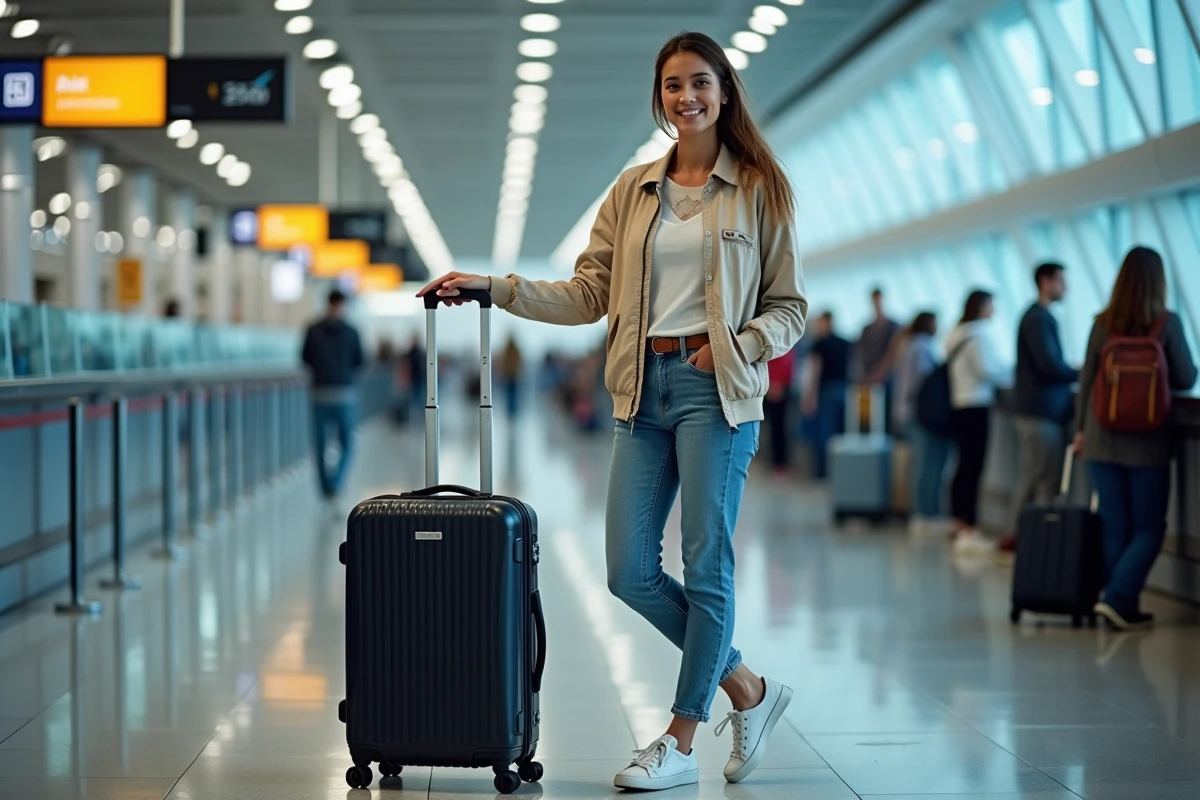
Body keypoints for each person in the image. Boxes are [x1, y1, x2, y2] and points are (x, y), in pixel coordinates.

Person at [417, 32, 807, 792]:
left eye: (700, 83)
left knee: (706, 563)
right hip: (641, 387)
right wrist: (494, 287)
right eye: (671, 86)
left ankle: (681, 739)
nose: (686, 97)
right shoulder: (634, 191)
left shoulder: (761, 188)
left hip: (717, 390)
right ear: (658, 99)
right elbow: (587, 294)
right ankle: (749, 691)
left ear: (724, 91)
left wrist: (740, 344)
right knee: (628, 571)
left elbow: (790, 307)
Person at [1074, 246, 1197, 631]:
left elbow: (1085, 382)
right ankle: (1118, 599)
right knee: (1149, 528)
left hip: (1100, 439)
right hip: (1148, 442)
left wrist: (1080, 431)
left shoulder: (1101, 323)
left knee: (1115, 526)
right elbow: (1186, 378)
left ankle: (1117, 601)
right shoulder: (1167, 323)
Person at [1006, 263, 1078, 552]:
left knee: (1034, 475)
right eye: (1061, 281)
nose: (1066, 287)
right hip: (1040, 412)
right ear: (1045, 281)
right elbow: (1049, 365)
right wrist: (1079, 372)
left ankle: (1021, 538)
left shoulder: (1034, 316)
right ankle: (1037, 544)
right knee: (1045, 479)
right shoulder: (1039, 318)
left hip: (1035, 410)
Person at [944, 290, 1010, 554]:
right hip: (976, 404)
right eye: (991, 305)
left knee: (962, 464)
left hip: (959, 403)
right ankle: (970, 525)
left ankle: (959, 521)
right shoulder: (978, 333)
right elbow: (988, 370)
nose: (993, 310)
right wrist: (1011, 373)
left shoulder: (956, 333)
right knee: (974, 465)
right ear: (982, 306)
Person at [301, 289, 365, 500]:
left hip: (319, 392)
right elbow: (360, 361)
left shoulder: (312, 329)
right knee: (347, 442)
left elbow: (304, 358)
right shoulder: (352, 331)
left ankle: (325, 486)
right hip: (344, 393)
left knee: (320, 444)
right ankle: (337, 481)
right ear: (343, 305)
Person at [893, 312, 950, 534]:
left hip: (905, 412)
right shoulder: (923, 346)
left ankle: (921, 512)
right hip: (918, 413)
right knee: (929, 463)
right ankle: (926, 513)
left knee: (922, 462)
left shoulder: (907, 345)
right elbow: (923, 380)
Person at [801, 311, 850, 480]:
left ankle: (823, 472)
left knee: (825, 433)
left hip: (827, 391)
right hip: (845, 390)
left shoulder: (819, 344)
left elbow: (815, 370)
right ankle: (841, 472)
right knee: (841, 432)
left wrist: (809, 396)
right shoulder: (845, 343)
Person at [763, 349, 796, 475]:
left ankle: (780, 464)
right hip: (774, 384)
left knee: (778, 428)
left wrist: (776, 382)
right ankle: (777, 462)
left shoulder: (781, 340)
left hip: (777, 386)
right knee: (775, 427)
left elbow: (783, 361)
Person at [498, 335, 524, 416]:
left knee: (510, 394)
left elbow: (503, 363)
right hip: (513, 375)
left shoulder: (507, 350)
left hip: (510, 375)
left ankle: (511, 410)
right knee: (512, 394)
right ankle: (512, 410)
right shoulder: (515, 350)